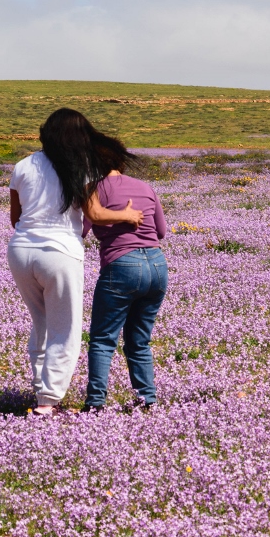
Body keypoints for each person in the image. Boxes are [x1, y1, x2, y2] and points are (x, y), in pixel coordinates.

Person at [8, 108, 143, 416]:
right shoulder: (80, 165)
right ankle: (48, 401)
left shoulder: (23, 166)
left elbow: (16, 218)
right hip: (60, 252)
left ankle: (40, 389)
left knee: (41, 321)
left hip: (20, 251)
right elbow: (95, 214)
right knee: (65, 328)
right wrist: (127, 214)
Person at [81, 159, 168, 413]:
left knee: (102, 339)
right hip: (157, 266)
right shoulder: (145, 187)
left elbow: (81, 229)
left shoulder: (93, 189)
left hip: (121, 265)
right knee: (139, 341)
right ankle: (148, 401)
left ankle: (95, 404)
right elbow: (161, 231)